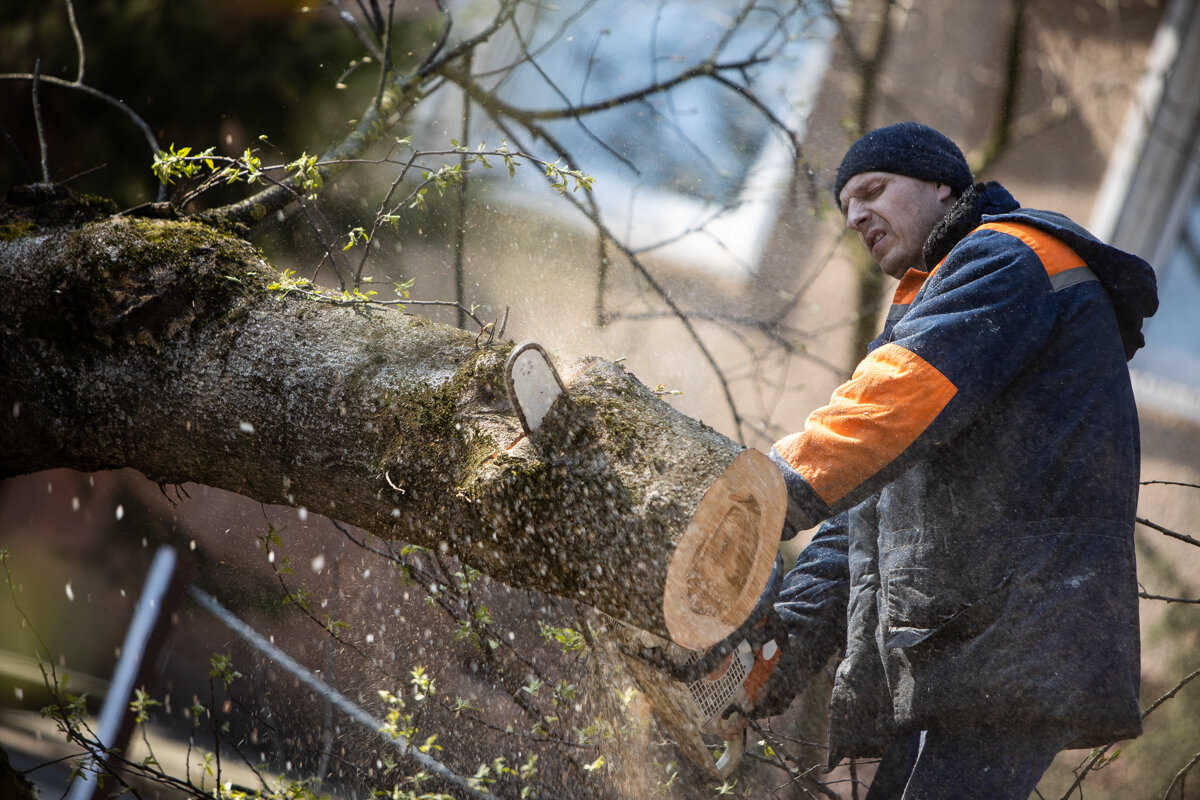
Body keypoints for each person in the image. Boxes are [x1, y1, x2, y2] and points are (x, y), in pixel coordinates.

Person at [761, 122, 1158, 799]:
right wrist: (778, 652)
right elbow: (866, 508)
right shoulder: (938, 299)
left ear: (941, 184)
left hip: (1010, 634)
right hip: (967, 644)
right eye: (846, 206)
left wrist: (767, 492)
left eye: (873, 190)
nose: (856, 215)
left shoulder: (1009, 260)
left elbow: (892, 399)